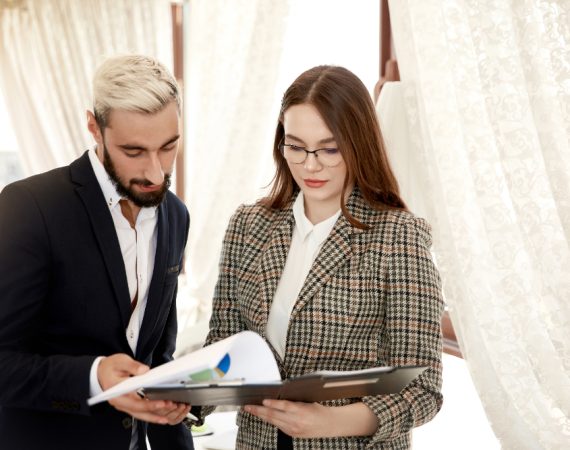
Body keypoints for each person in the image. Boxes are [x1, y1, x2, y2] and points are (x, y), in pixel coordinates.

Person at [203, 65, 444, 449]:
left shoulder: (400, 236)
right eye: (295, 146)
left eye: (329, 149)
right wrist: (186, 402)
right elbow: (224, 347)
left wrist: (330, 421)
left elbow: (423, 389)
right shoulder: (248, 226)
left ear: (358, 144)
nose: (310, 165)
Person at [0, 55, 194, 450]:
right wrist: (93, 376)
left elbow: (158, 356)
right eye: (134, 151)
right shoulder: (29, 207)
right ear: (94, 127)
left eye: (168, 147)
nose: (156, 173)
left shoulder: (176, 215)